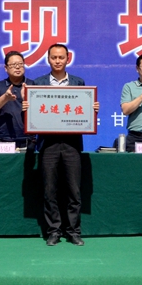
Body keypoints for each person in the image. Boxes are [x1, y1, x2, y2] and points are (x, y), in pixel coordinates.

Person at [25, 44, 100, 246]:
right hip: (48, 144)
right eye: (54, 57)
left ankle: (73, 231)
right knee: (49, 190)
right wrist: (27, 108)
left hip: (71, 144)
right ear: (48, 59)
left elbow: (83, 110)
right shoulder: (38, 83)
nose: (57, 61)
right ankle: (54, 231)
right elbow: (34, 114)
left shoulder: (78, 82)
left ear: (68, 58)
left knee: (74, 190)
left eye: (61, 57)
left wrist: (92, 108)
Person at [0, 50, 35, 149]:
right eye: (13, 65)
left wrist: (27, 99)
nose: (17, 67)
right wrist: (5, 97)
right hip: (4, 140)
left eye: (20, 64)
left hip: (28, 140)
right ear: (6, 68)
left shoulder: (32, 85)